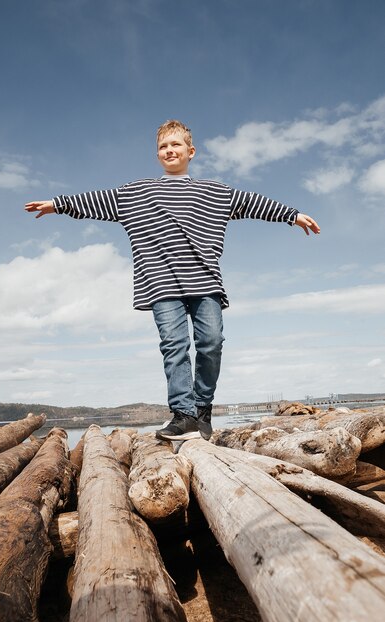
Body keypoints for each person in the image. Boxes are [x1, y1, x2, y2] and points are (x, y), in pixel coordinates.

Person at [25, 120, 320, 441]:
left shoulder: (214, 192)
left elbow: (252, 203)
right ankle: (183, 415)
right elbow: (97, 200)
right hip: (161, 284)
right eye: (163, 147)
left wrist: (292, 215)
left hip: (205, 281)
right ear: (158, 155)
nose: (169, 150)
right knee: (175, 347)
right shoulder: (139, 193)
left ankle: (202, 410)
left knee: (211, 343)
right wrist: (58, 204)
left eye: (176, 145)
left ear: (190, 152)